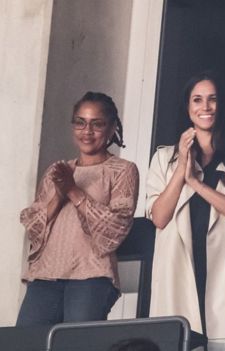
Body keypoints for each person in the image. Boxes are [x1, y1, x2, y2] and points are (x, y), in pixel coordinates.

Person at [146, 70, 225, 351]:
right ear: (188, 109)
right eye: (197, 100)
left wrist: (196, 184)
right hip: (178, 268)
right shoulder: (164, 158)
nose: (205, 107)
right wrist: (180, 171)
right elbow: (159, 216)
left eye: (212, 99)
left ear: (221, 105)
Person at [17, 92, 139, 326]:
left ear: (113, 127)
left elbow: (114, 231)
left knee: (77, 344)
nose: (87, 131)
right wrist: (59, 195)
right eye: (80, 122)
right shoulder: (59, 170)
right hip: (45, 274)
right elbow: (33, 229)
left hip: (91, 276)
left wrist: (74, 191)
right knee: (22, 343)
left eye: (97, 123)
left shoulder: (123, 170)